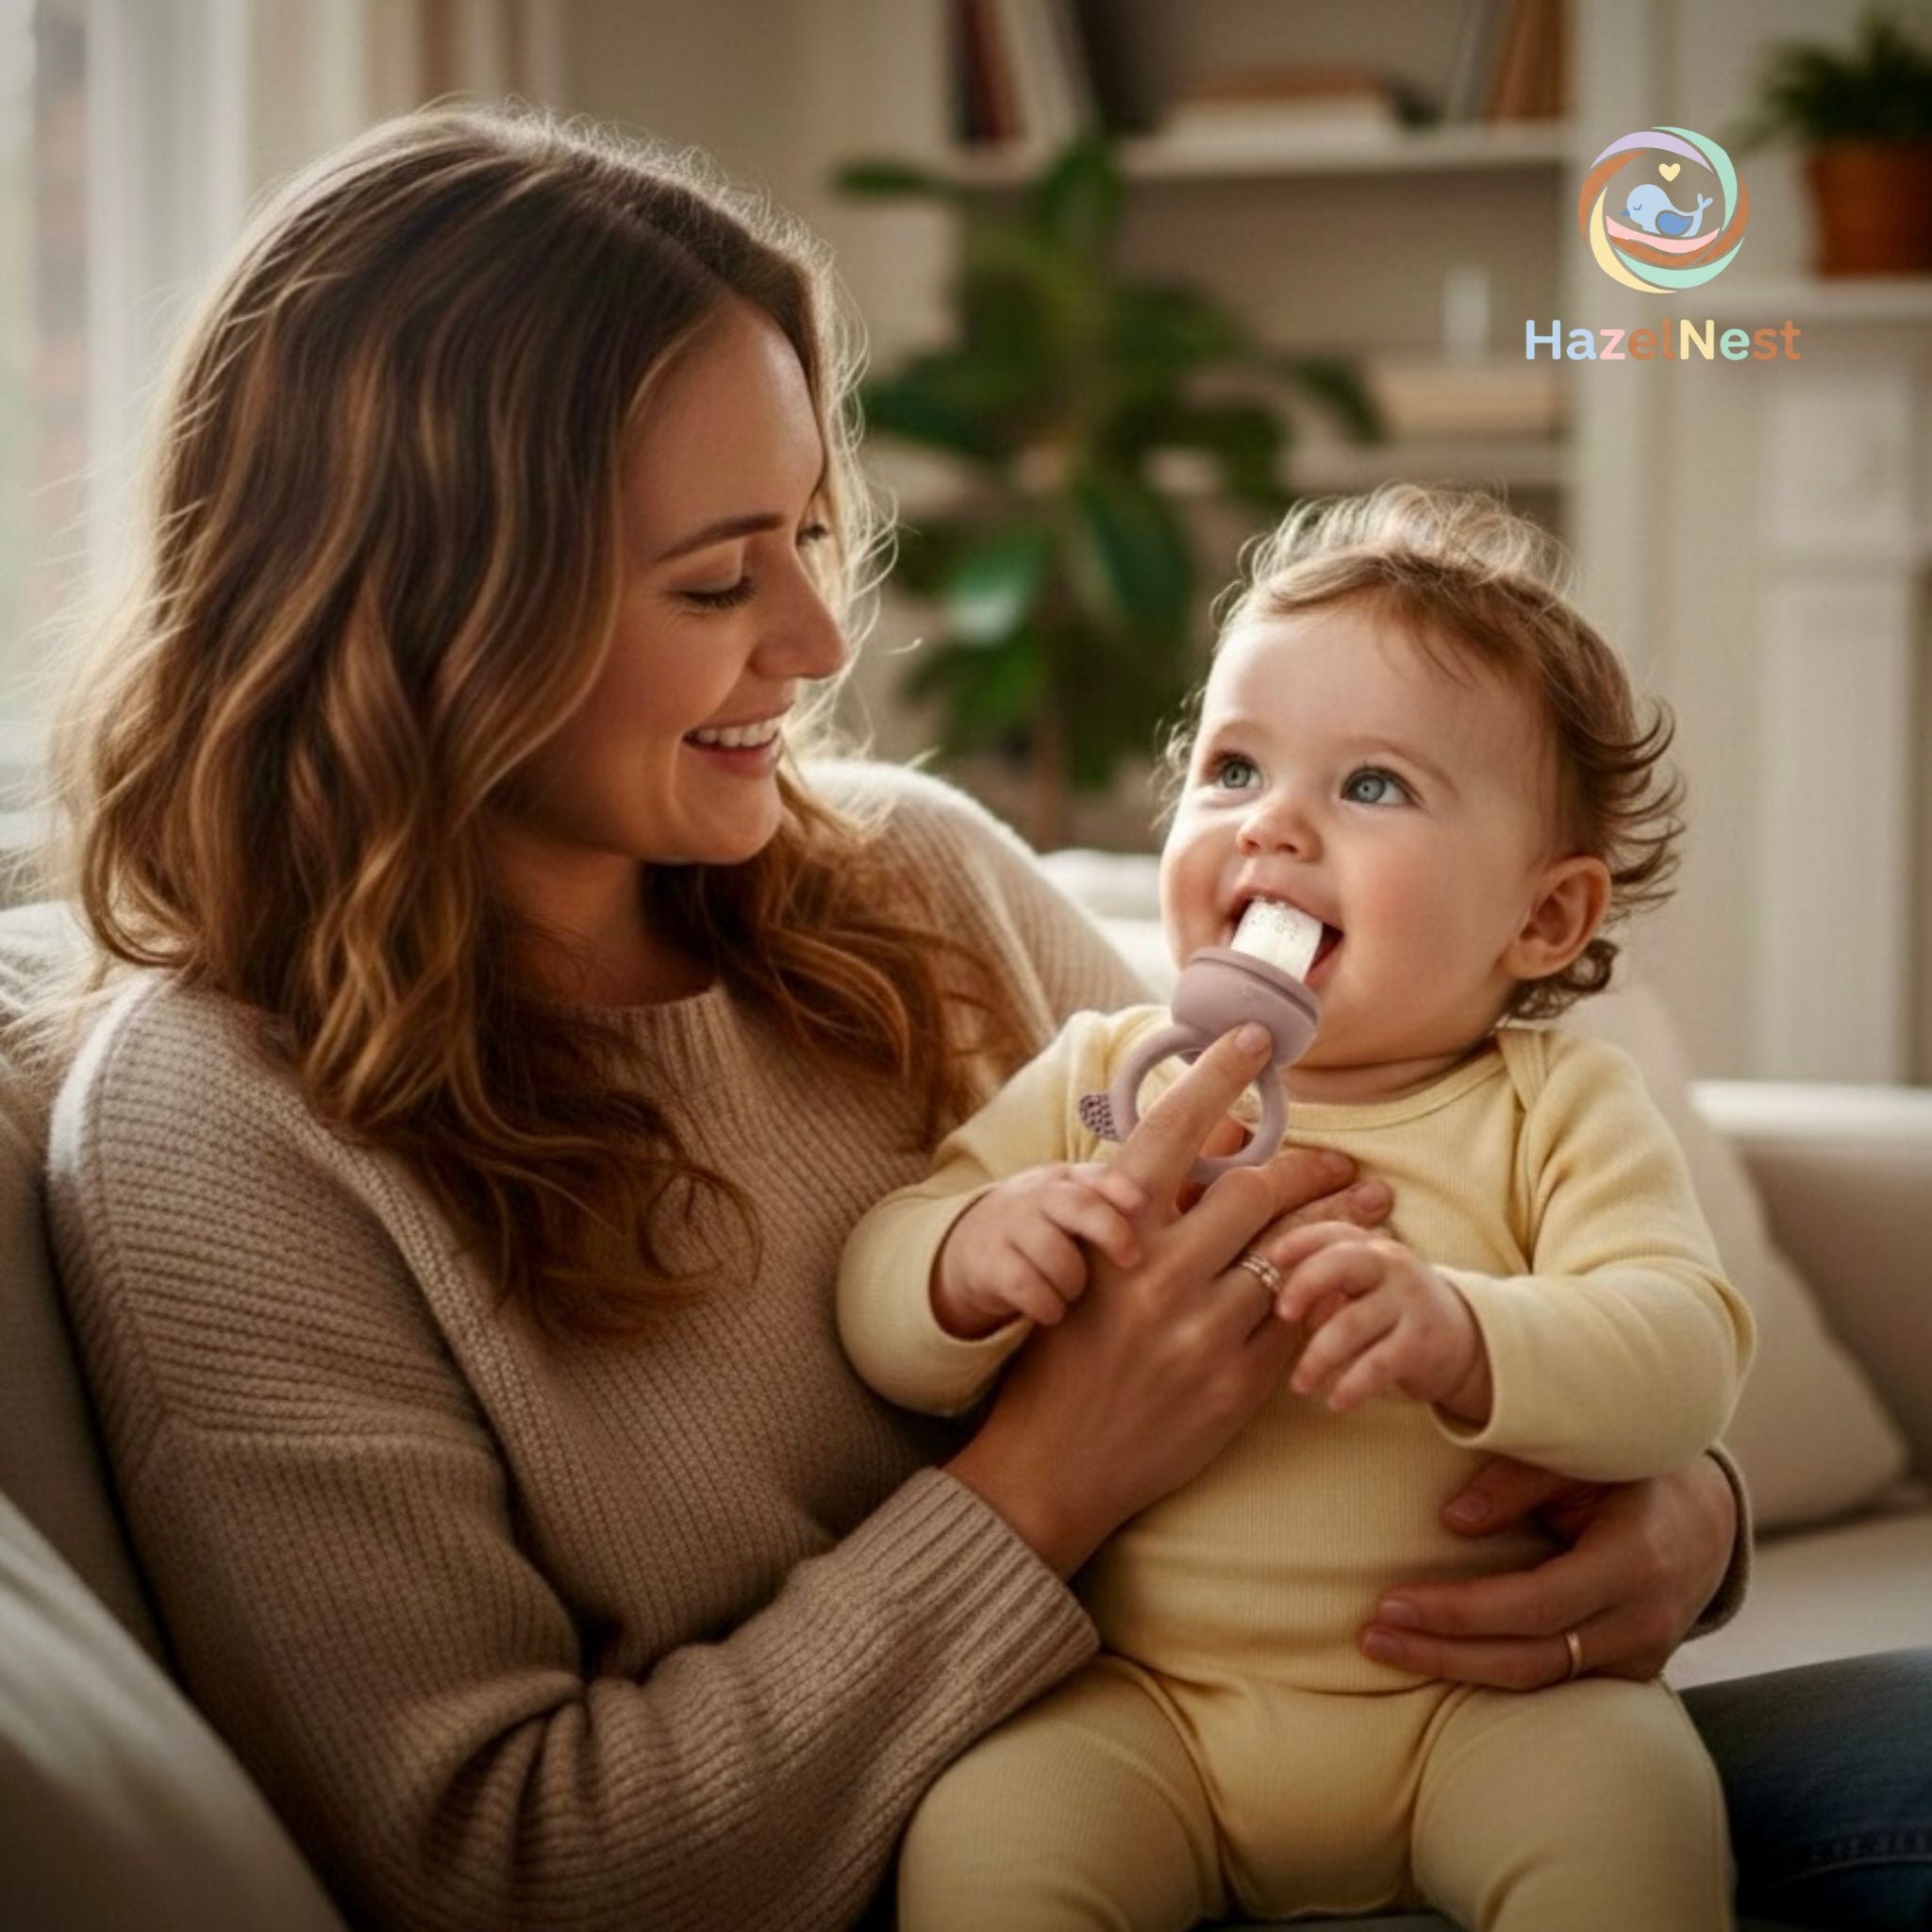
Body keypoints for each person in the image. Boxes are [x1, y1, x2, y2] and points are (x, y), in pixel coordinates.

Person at [22, 103, 1926, 1932]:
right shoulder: (222, 1140)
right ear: (431, 610)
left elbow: (1374, 1187)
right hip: (1061, 1842)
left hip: (1424, 1736)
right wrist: (1044, 1475)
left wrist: (1671, 1508)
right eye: (713, 578)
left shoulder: (904, 880)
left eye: (807, 537)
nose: (820, 644)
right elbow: (515, 1876)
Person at [839, 486, 1752, 1930]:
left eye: (1370, 785)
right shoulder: (1100, 1077)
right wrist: (964, 1260)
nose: (1270, 828)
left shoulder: (1554, 1108)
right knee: (988, 1831)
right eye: (1231, 768)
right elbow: (879, 1296)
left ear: (1545, 919)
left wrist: (1463, 1332)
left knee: (1637, 1803)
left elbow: (1684, 1355)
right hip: (1146, 1707)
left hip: (1480, 1710)